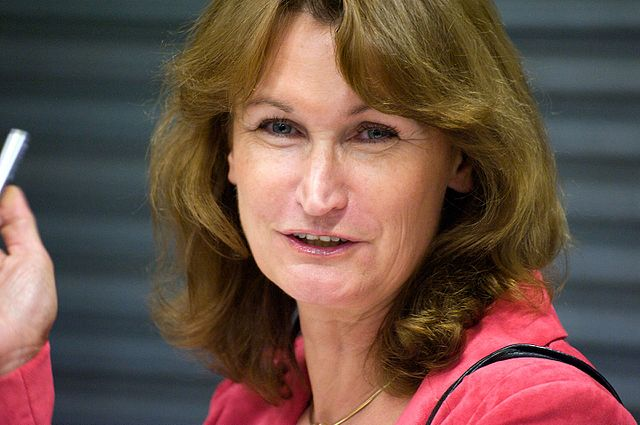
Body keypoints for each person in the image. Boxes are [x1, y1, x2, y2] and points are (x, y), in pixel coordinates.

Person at [0, 0, 636, 424]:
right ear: (228, 150)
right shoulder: (254, 403)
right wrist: (9, 359)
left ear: (461, 159)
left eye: (373, 134)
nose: (318, 195)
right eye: (280, 127)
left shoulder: (530, 410)